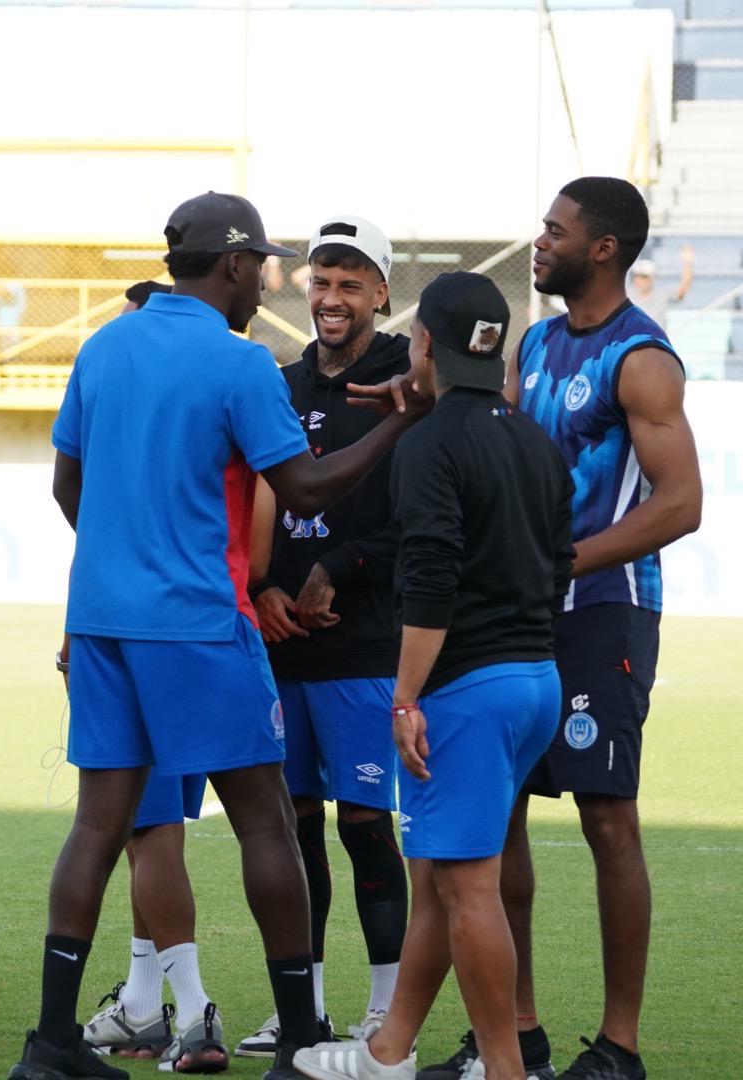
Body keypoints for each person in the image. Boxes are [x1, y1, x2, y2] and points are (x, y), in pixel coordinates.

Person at [8, 191, 433, 1080]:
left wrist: (125, 558)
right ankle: (302, 1040)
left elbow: (64, 487)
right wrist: (401, 418)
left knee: (97, 826)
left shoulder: (103, 346)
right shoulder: (239, 364)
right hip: (199, 624)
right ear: (235, 266)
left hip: (101, 623)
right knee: (267, 820)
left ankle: (50, 1046)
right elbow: (308, 489)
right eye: (266, 265)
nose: (270, 281)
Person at [418, 177, 702, 1080]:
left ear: (604, 247)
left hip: (604, 609)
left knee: (607, 818)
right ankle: (520, 1034)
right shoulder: (534, 344)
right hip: (521, 617)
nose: (538, 243)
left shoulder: (643, 359)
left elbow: (683, 501)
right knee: (495, 818)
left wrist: (563, 565)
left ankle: (619, 1047)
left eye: (555, 231)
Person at [292, 271, 575, 1080]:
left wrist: (408, 694)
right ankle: (389, 1050)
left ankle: (503, 1067)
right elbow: (559, 565)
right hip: (534, 682)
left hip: (465, 691)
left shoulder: (428, 446)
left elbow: (431, 575)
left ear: (423, 346)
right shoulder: (531, 438)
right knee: (442, 874)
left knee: (468, 888)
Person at [241, 216, 410, 1057]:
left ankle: (386, 1010)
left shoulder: (409, 382)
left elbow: (423, 510)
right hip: (284, 646)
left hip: (368, 640)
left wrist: (339, 566)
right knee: (293, 823)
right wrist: (263, 586)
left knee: (366, 825)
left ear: (382, 291)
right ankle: (300, 1010)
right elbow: (254, 500)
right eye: (321, 281)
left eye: (351, 283)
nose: (332, 298)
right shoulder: (278, 381)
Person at [78, 278, 232, 1074]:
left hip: (172, 627)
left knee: (150, 827)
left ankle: (196, 1010)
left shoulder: (156, 385)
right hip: (203, 623)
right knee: (154, 828)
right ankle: (144, 1003)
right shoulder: (216, 386)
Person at [626, 245, 692, 329]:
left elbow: (683, 289)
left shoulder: (661, 294)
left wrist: (687, 262)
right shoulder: (626, 295)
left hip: (654, 339)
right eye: (637, 276)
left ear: (652, 278)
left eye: (644, 276)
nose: (639, 280)